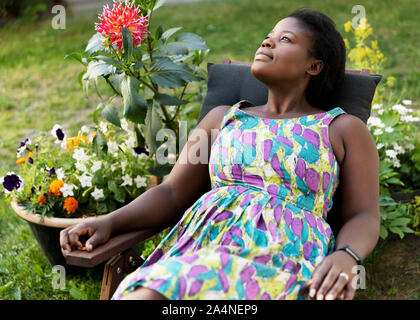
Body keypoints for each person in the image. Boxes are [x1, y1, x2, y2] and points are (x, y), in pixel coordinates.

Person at [60, 8, 380, 300]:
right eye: (267, 37)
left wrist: (347, 255)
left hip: (285, 254)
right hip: (204, 247)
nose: (267, 43)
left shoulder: (341, 128)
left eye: (284, 39)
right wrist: (109, 222)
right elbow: (171, 192)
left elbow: (363, 214)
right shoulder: (222, 119)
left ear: (314, 65)